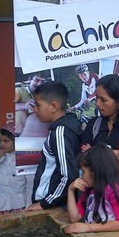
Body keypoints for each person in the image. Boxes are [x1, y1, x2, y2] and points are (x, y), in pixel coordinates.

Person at [26, 82, 82, 210]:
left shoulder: (60, 132)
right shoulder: (66, 127)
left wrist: (44, 203)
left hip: (53, 203)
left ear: (53, 106)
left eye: (38, 105)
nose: (35, 109)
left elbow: (68, 175)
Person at [65, 143, 119, 233]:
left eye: (83, 171)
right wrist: (70, 190)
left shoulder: (113, 190)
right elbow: (74, 218)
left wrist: (88, 228)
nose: (81, 176)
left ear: (95, 173)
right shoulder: (90, 189)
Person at [0, 123, 30, 216]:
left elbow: (29, 183)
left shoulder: (23, 158)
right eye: (0, 140)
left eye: (6, 141)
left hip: (18, 203)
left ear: (16, 141)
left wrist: (29, 204)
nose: (1, 144)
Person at [14, 72, 49, 137]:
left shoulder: (45, 95)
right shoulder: (19, 91)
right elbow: (6, 106)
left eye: (43, 81)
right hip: (19, 135)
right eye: (37, 80)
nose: (39, 84)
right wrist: (24, 105)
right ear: (30, 79)